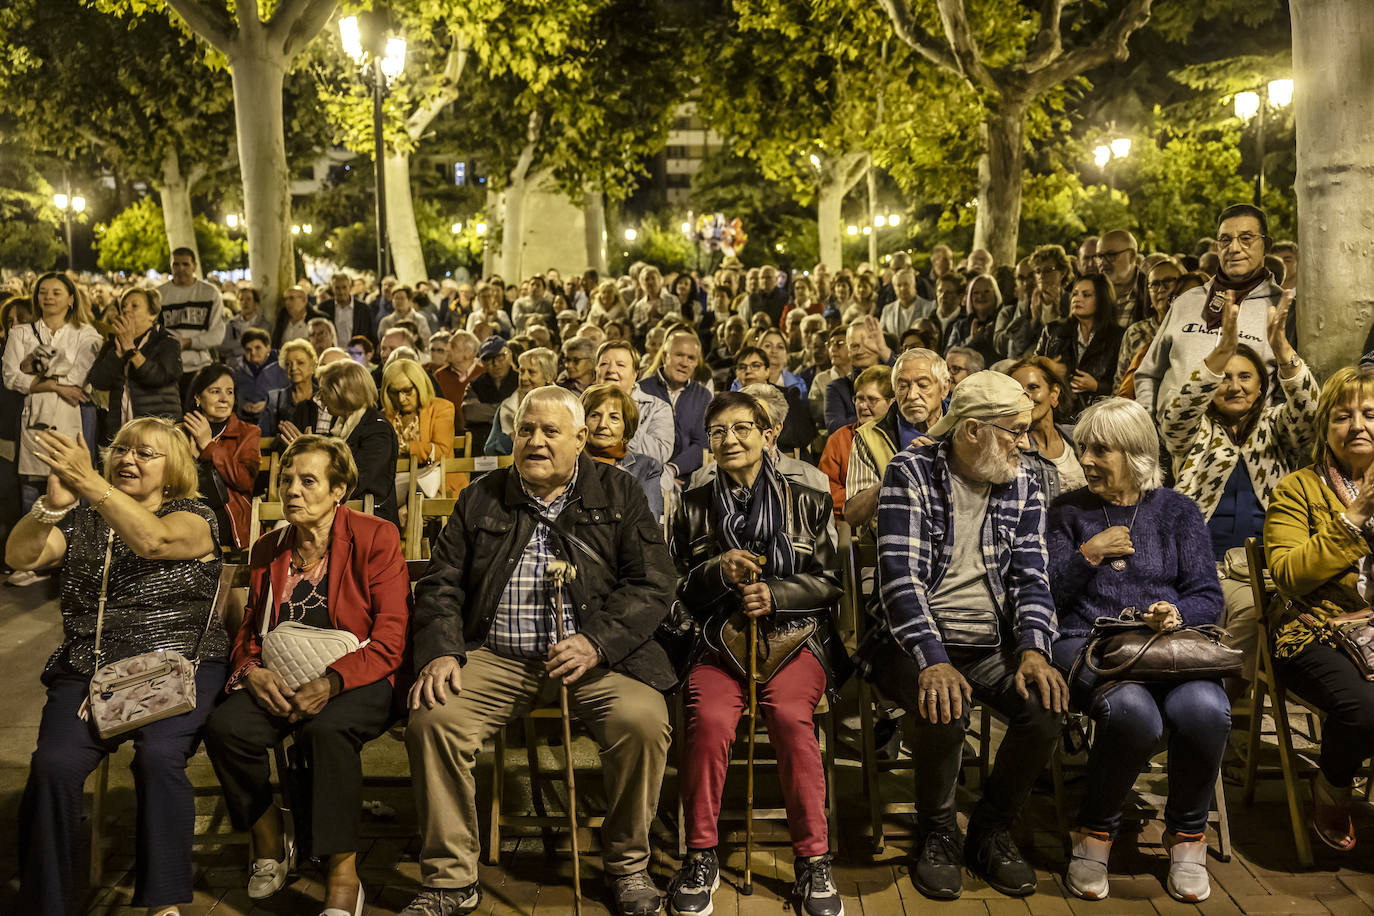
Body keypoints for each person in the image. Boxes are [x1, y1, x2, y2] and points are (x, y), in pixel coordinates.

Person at [402, 386, 674, 916]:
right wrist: (441, 651)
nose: (536, 441)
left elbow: (653, 584)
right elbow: (441, 585)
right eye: (527, 429)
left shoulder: (618, 494)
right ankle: (451, 879)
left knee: (642, 721)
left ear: (580, 439)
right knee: (433, 718)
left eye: (551, 432)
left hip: (596, 658)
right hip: (499, 656)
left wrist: (598, 640)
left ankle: (626, 864)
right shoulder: (481, 496)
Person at [857, 371, 1066, 901]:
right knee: (942, 705)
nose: (1025, 442)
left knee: (1044, 707)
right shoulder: (912, 472)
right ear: (972, 431)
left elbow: (1032, 577)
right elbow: (900, 582)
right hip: (908, 641)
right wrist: (932, 657)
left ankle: (991, 829)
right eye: (1014, 431)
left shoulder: (1025, 482)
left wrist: (1035, 649)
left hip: (986, 642)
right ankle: (937, 831)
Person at [7, 417, 226, 916]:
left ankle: (163, 903)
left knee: (158, 756)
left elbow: (154, 541)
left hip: (176, 667)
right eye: (122, 449)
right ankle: (48, 903)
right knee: (52, 764)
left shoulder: (195, 515)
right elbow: (19, 554)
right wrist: (51, 507)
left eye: (145, 453)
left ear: (172, 469)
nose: (129, 459)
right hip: (92, 670)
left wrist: (91, 484)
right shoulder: (86, 522)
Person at [203, 436, 409, 916]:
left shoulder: (375, 536)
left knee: (326, 731)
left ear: (339, 490)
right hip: (283, 674)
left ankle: (343, 874)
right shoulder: (269, 548)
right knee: (226, 728)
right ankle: (270, 838)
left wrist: (333, 682)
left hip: (359, 675)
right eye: (287, 480)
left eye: (308, 481)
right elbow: (250, 633)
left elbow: (391, 639)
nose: (292, 490)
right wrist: (251, 672)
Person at [666, 390, 847, 916]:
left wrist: (778, 594)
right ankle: (701, 854)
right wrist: (717, 572)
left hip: (795, 638)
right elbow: (674, 585)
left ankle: (813, 860)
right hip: (719, 640)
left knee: (792, 719)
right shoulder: (694, 506)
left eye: (741, 428)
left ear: (767, 434)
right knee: (709, 719)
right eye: (718, 431)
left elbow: (830, 584)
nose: (729, 439)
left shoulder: (807, 500)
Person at [1045, 398, 1229, 903]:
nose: (1085, 459)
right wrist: (1089, 555)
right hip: (1089, 643)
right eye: (1083, 447)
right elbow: (1047, 597)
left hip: (1167, 646)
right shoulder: (1067, 512)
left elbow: (1207, 597)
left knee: (1207, 709)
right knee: (1133, 715)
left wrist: (1175, 613)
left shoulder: (1177, 511)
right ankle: (1095, 832)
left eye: (1100, 449)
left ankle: (1188, 836)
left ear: (1136, 453)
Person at [1160, 290, 1315, 679]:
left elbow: (1311, 413)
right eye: (1224, 378)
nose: (1234, 386)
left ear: (1262, 387)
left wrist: (1280, 348)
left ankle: (1226, 707)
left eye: (1245, 377)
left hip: (1264, 568)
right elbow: (1176, 413)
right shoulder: (1194, 431)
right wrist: (1222, 349)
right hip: (1198, 563)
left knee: (1247, 619)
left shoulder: (1278, 426)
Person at [1136, 204, 1284, 417]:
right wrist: (1150, 426)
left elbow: (1286, 389)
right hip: (1172, 441)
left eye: (1246, 238)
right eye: (1225, 240)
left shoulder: (1281, 308)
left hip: (1243, 445)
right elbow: (1149, 373)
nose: (1234, 248)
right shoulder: (1187, 301)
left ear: (1266, 245)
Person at [2, 272, 103, 515]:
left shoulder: (87, 334)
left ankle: (73, 545)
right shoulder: (21, 333)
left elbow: (77, 378)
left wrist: (31, 366)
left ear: (70, 299)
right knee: (32, 485)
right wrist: (55, 384)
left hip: (72, 414)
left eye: (56, 292)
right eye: (43, 292)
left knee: (73, 481)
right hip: (34, 416)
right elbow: (10, 377)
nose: (48, 297)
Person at [845, 348, 950, 531]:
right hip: (892, 539)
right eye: (903, 386)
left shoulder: (965, 430)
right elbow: (853, 515)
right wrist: (896, 473)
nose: (911, 395)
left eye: (923, 385)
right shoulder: (869, 436)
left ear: (945, 388)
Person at [89, 287, 183, 444]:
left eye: (134, 306)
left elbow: (159, 377)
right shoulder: (113, 344)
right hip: (120, 429)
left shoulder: (167, 343)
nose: (126, 310)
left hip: (157, 429)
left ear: (152, 314)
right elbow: (99, 381)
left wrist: (132, 351)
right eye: (124, 306)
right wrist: (117, 355)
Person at [181, 363, 260, 550]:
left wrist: (209, 446)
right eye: (215, 391)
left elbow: (245, 481)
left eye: (230, 392)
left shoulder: (247, 432)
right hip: (185, 506)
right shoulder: (180, 432)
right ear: (198, 397)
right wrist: (190, 459)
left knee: (193, 528)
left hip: (229, 512)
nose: (224, 399)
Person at [318, 359, 400, 528]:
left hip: (370, 518)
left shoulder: (377, 430)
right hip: (342, 510)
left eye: (324, 393)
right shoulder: (339, 426)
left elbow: (357, 481)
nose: (321, 401)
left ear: (343, 394)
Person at [1036, 273, 1124, 416]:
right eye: (1075, 294)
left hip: (1098, 415)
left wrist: (1096, 386)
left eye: (1086, 295)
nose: (1077, 298)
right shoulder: (1053, 330)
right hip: (1056, 412)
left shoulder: (1118, 337)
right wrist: (1048, 366)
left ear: (1102, 300)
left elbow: (1123, 387)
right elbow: (1032, 366)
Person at [583, 383, 667, 521]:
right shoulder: (569, 463)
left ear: (626, 426)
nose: (603, 424)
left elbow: (649, 524)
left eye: (614, 418)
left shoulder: (646, 467)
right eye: (595, 415)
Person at [638, 327, 712, 483]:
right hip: (645, 474)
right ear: (665, 356)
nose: (685, 363)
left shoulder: (703, 396)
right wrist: (658, 473)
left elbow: (702, 445)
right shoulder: (641, 390)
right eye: (679, 355)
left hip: (687, 478)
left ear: (696, 363)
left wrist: (672, 469)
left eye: (691, 358)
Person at [820, 365, 892, 521]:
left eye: (872, 400)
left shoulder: (901, 438)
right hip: (851, 526)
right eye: (859, 398)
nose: (863, 406)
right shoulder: (840, 439)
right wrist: (859, 501)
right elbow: (826, 488)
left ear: (891, 402)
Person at [382, 357, 460, 500]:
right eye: (394, 392)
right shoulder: (384, 416)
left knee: (407, 508)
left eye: (407, 391)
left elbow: (441, 450)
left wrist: (407, 448)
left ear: (419, 386)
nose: (401, 399)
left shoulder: (442, 408)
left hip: (436, 484)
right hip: (395, 484)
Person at [1010, 356, 1084, 501]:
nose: (1025, 396)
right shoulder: (1013, 448)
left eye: (1033, 387)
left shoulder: (1078, 437)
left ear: (1054, 393)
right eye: (1016, 391)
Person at [594, 340, 674, 467]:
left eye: (620, 365)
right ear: (596, 371)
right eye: (604, 364)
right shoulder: (579, 406)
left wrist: (622, 425)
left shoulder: (658, 408)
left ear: (635, 374)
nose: (611, 370)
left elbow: (659, 454)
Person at [156, 247, 226, 393]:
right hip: (167, 367)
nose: (180, 268)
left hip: (200, 367)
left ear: (194, 266)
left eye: (185, 264)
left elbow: (217, 334)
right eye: (176, 264)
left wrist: (188, 343)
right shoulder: (159, 294)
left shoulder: (210, 293)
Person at [1115, 258, 1182, 390]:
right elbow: (1120, 382)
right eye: (1155, 284)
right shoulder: (1136, 332)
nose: (1161, 289)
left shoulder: (1195, 327)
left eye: (1168, 281)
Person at [825, 317, 893, 433]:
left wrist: (884, 350)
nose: (861, 351)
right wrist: (882, 417)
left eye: (867, 344)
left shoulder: (895, 381)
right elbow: (836, 426)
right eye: (854, 346)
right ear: (848, 351)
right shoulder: (837, 388)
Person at [486, 347, 557, 456]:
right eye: (521, 371)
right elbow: (489, 450)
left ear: (548, 376)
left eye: (531, 372)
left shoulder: (563, 404)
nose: (524, 377)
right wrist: (511, 438)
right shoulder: (506, 407)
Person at [259, 339, 325, 445]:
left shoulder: (325, 398)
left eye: (300, 363)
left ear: (313, 366)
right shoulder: (274, 398)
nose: (293, 368)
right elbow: (263, 436)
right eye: (288, 364)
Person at [231, 328, 285, 424]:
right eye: (248, 350)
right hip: (244, 420)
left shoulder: (284, 365)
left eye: (258, 348)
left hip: (276, 420)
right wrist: (242, 404)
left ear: (268, 348)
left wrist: (268, 403)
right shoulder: (237, 369)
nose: (253, 353)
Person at [947, 274, 1003, 366]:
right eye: (976, 292)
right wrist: (971, 341)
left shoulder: (1003, 322)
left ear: (996, 294)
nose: (981, 296)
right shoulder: (959, 326)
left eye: (986, 291)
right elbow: (948, 355)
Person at [220, 286, 272, 364]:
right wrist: (246, 343)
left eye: (248, 299)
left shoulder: (263, 325)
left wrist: (234, 350)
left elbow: (261, 350)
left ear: (255, 302)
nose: (245, 303)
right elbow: (223, 347)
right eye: (241, 299)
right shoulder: (231, 323)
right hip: (234, 366)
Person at [323, 272, 377, 345]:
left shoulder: (363, 309)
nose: (341, 292)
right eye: (337, 288)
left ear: (350, 287)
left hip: (357, 354)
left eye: (344, 287)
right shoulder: (324, 308)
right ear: (332, 288)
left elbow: (372, 335)